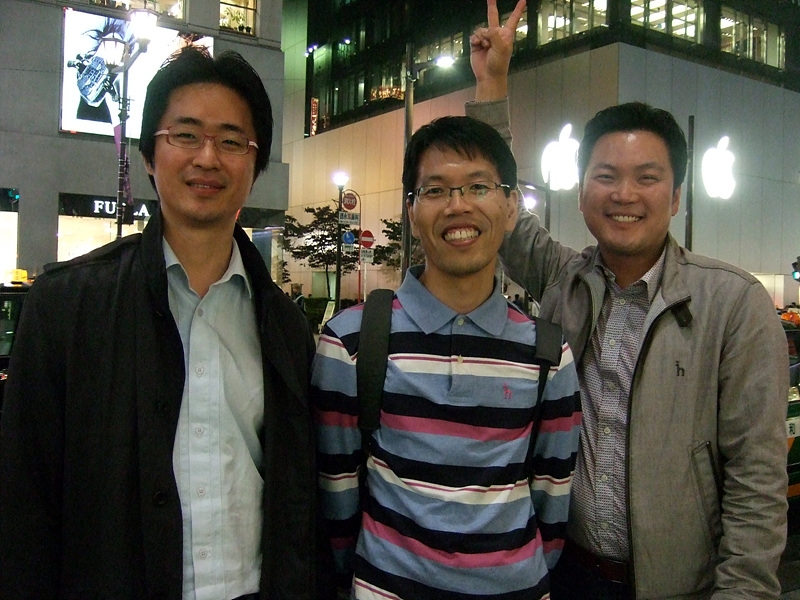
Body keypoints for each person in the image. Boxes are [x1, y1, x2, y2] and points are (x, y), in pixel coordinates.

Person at [466, 2, 789, 598]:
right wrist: (493, 84)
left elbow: (756, 491)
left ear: (675, 197)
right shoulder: (569, 279)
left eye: (647, 177)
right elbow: (504, 218)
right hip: (566, 576)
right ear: (584, 189)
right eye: (606, 175)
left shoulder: (733, 306)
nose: (625, 195)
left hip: (679, 586)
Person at [0, 46, 330, 600]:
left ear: (255, 165)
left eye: (231, 140)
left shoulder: (285, 327)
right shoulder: (66, 306)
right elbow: (22, 508)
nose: (208, 157)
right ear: (150, 155)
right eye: (185, 135)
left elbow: (298, 502)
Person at [311, 115, 582, 599]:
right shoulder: (351, 343)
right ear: (412, 211)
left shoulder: (546, 353)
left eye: (478, 186)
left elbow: (552, 498)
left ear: (511, 206)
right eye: (435, 191)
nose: (458, 206)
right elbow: (338, 497)